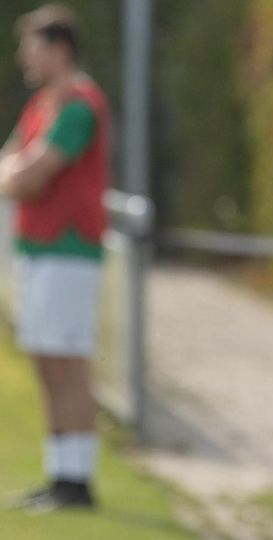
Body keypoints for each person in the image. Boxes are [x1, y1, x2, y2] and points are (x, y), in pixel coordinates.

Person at [0, 4, 111, 510]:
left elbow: (30, 174)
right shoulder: (42, 105)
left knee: (68, 362)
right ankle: (60, 474)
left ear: (59, 49)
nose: (24, 56)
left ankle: (78, 482)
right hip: (38, 249)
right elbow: (12, 166)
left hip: (69, 250)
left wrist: (17, 174)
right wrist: (15, 173)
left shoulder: (79, 104)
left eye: (32, 46)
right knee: (48, 361)